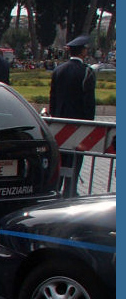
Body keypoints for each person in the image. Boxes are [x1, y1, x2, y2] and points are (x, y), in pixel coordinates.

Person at [49, 35, 97, 197]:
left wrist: (54, 117)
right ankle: (70, 189)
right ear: (83, 51)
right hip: (79, 123)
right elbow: (89, 101)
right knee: (76, 158)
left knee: (61, 157)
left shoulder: (58, 70)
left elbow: (53, 97)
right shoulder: (86, 72)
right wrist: (90, 124)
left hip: (60, 122)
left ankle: (56, 188)